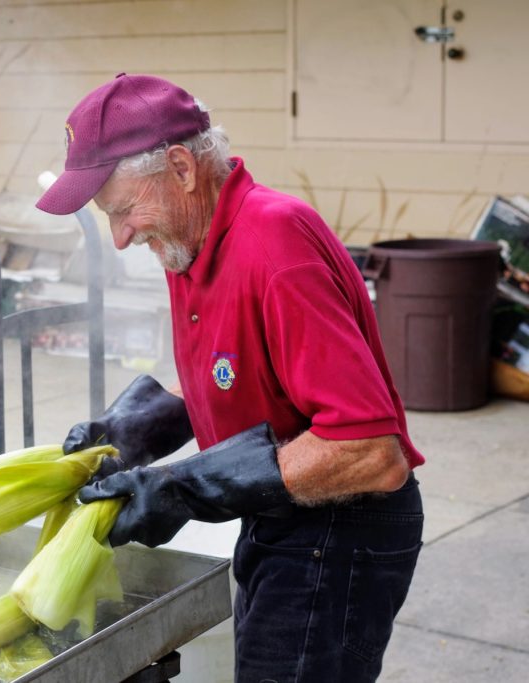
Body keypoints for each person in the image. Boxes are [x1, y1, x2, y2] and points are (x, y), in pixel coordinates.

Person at [38, 74, 425, 682]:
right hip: (283, 512)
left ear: (182, 168)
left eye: (123, 210)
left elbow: (371, 450)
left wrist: (185, 486)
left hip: (339, 530)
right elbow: (235, 373)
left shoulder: (275, 245)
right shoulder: (189, 240)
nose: (119, 238)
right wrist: (135, 431)